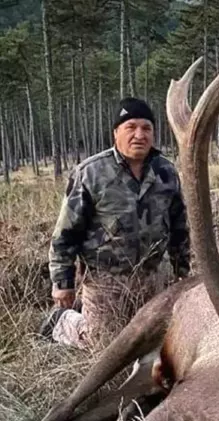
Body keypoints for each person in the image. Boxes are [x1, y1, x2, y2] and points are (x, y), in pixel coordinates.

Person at [41, 97, 190, 349]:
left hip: (154, 277)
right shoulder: (91, 173)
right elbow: (66, 234)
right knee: (106, 346)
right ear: (116, 133)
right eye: (130, 127)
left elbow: (179, 227)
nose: (139, 135)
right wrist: (63, 284)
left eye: (146, 128)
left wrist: (181, 272)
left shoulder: (166, 172)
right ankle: (64, 321)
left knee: (155, 343)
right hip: (104, 281)